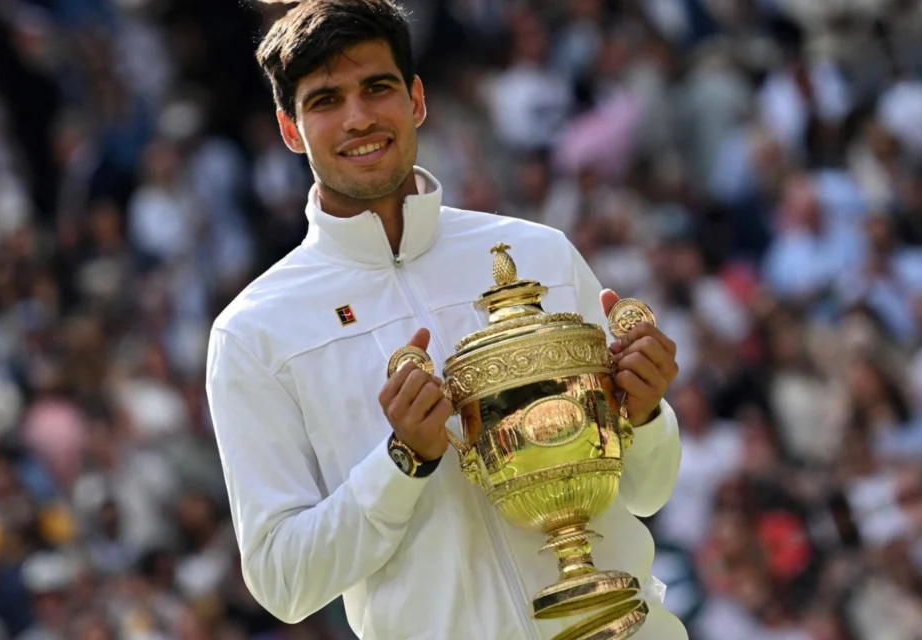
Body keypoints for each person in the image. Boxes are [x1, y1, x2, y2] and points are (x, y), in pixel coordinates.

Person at [205, 1, 687, 638]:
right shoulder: (254, 332)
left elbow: (647, 492)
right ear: (290, 129)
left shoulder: (541, 252)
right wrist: (401, 461)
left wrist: (646, 412)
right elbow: (283, 583)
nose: (358, 118)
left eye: (377, 88)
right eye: (325, 100)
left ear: (416, 100)